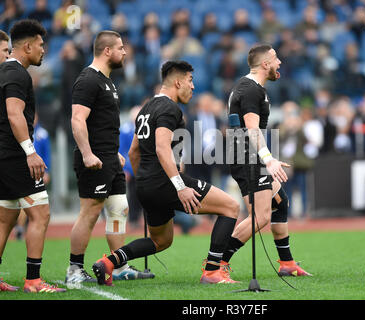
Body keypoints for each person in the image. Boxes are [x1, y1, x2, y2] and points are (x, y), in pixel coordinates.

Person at [92, 60, 240, 285]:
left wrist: (144, 178)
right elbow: (162, 148)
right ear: (178, 81)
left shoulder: (146, 108)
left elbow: (134, 151)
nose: (193, 86)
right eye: (190, 81)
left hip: (146, 184)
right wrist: (180, 187)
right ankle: (212, 272)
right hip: (165, 183)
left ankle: (109, 263)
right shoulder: (170, 108)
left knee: (161, 241)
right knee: (231, 207)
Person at [66, 30, 150, 287]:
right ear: (107, 51)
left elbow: (100, 123)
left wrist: (114, 152)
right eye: (121, 48)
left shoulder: (108, 82)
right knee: (90, 212)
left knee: (119, 208)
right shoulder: (88, 80)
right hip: (94, 160)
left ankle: (120, 265)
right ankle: (74, 270)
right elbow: (77, 119)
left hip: (109, 158)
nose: (125, 52)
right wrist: (88, 153)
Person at [223, 44, 312, 278]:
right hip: (247, 158)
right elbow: (252, 130)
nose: (279, 62)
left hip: (248, 156)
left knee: (280, 202)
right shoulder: (251, 89)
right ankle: (216, 264)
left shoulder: (250, 87)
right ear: (265, 64)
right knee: (260, 217)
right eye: (275, 58)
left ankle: (287, 263)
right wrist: (268, 159)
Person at [0, 19, 65, 293]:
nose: (43, 50)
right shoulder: (17, 74)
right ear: (27, 46)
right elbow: (14, 114)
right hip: (15, 156)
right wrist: (30, 152)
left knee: (6, 218)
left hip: (3, 154)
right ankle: (34, 281)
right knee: (40, 214)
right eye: (40, 45)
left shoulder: (4, 71)